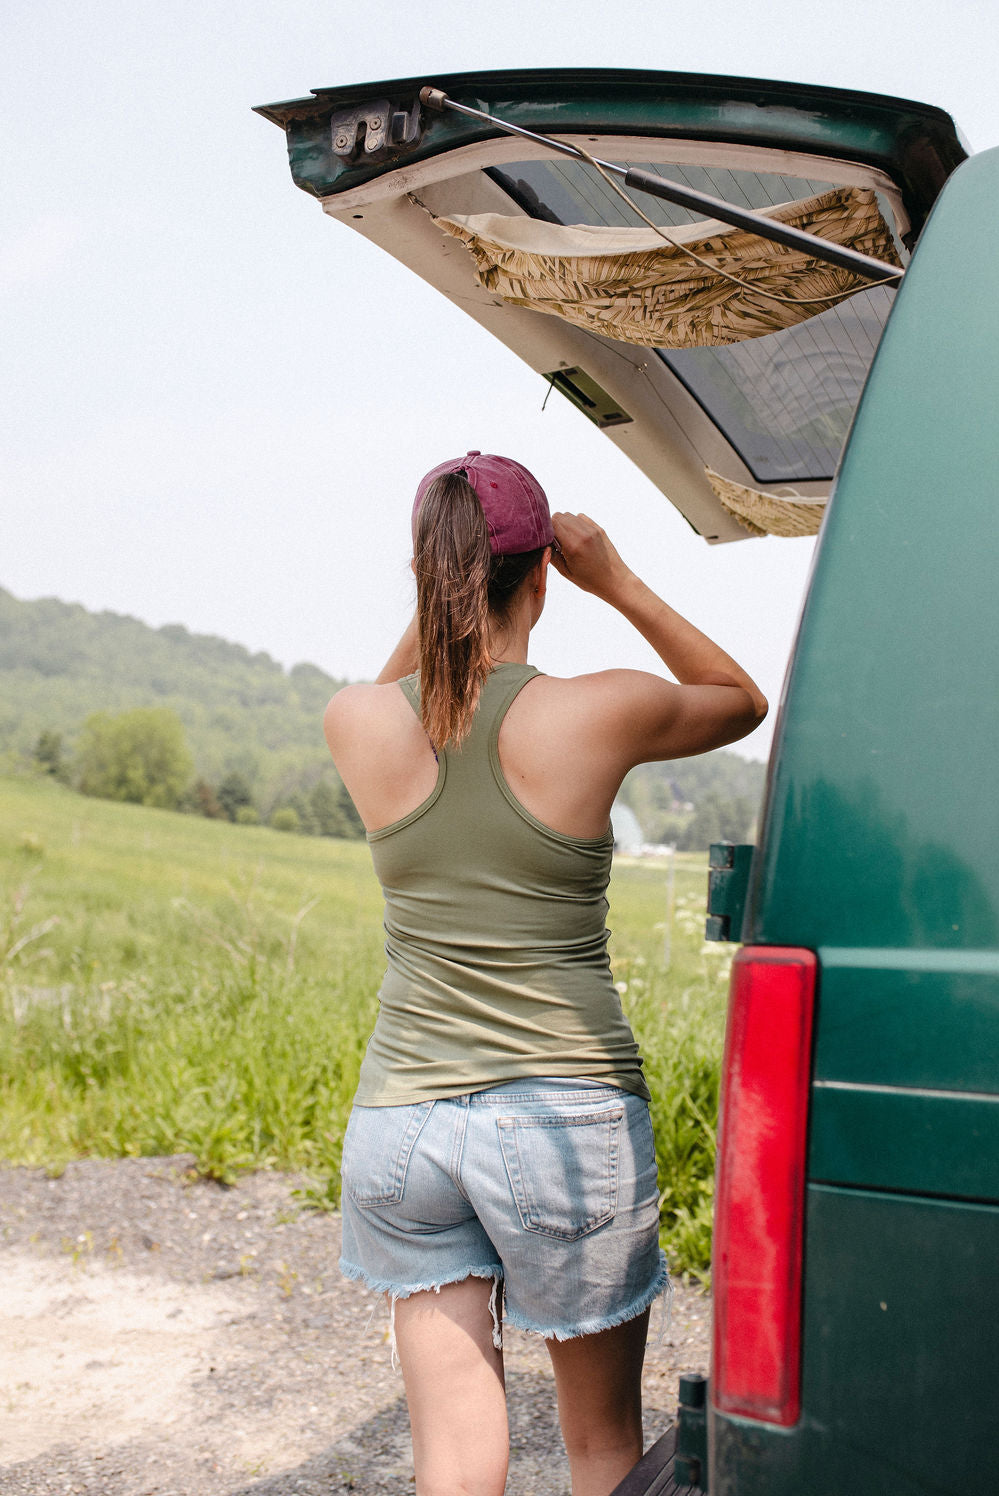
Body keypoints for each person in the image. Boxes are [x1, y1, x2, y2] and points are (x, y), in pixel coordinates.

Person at [323, 451, 767, 1496]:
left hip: (402, 1124)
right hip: (564, 1118)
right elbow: (736, 699)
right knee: (602, 1450)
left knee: (454, 1452)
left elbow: (400, 687)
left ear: (431, 574)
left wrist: (438, 600)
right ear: (542, 576)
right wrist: (616, 579)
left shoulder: (359, 723)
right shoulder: (595, 711)